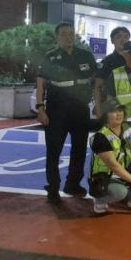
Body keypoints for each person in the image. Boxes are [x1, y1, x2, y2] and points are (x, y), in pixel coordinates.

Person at [36, 22, 97, 204]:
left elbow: (96, 80)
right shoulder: (50, 57)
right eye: (64, 34)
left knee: (79, 149)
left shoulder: (85, 55)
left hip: (80, 109)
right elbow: (40, 84)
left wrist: (97, 102)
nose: (68, 37)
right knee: (54, 150)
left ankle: (73, 184)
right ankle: (53, 187)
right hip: (57, 111)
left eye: (71, 34)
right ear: (57, 37)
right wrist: (40, 108)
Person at [89, 100, 131, 214]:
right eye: (113, 111)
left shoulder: (128, 127)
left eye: (120, 110)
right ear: (106, 115)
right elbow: (113, 166)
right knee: (120, 192)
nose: (118, 114)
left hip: (125, 167)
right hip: (105, 176)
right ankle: (100, 199)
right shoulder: (101, 137)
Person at [94, 26, 130, 118]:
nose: (123, 40)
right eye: (119, 37)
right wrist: (99, 111)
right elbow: (97, 87)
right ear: (112, 41)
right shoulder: (106, 62)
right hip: (112, 109)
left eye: (126, 37)